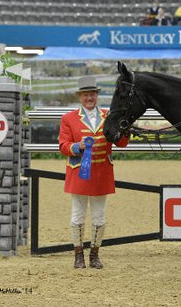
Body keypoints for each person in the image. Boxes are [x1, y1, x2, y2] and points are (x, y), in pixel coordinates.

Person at [59, 77, 129, 269]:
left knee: (99, 217)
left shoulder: (109, 115)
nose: (89, 97)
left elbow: (121, 143)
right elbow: (63, 146)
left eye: (92, 94)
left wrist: (125, 128)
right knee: (77, 215)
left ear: (97, 95)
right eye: (85, 94)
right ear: (80, 97)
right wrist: (77, 146)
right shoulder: (69, 118)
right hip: (79, 173)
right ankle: (78, 255)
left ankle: (95, 255)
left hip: (101, 173)